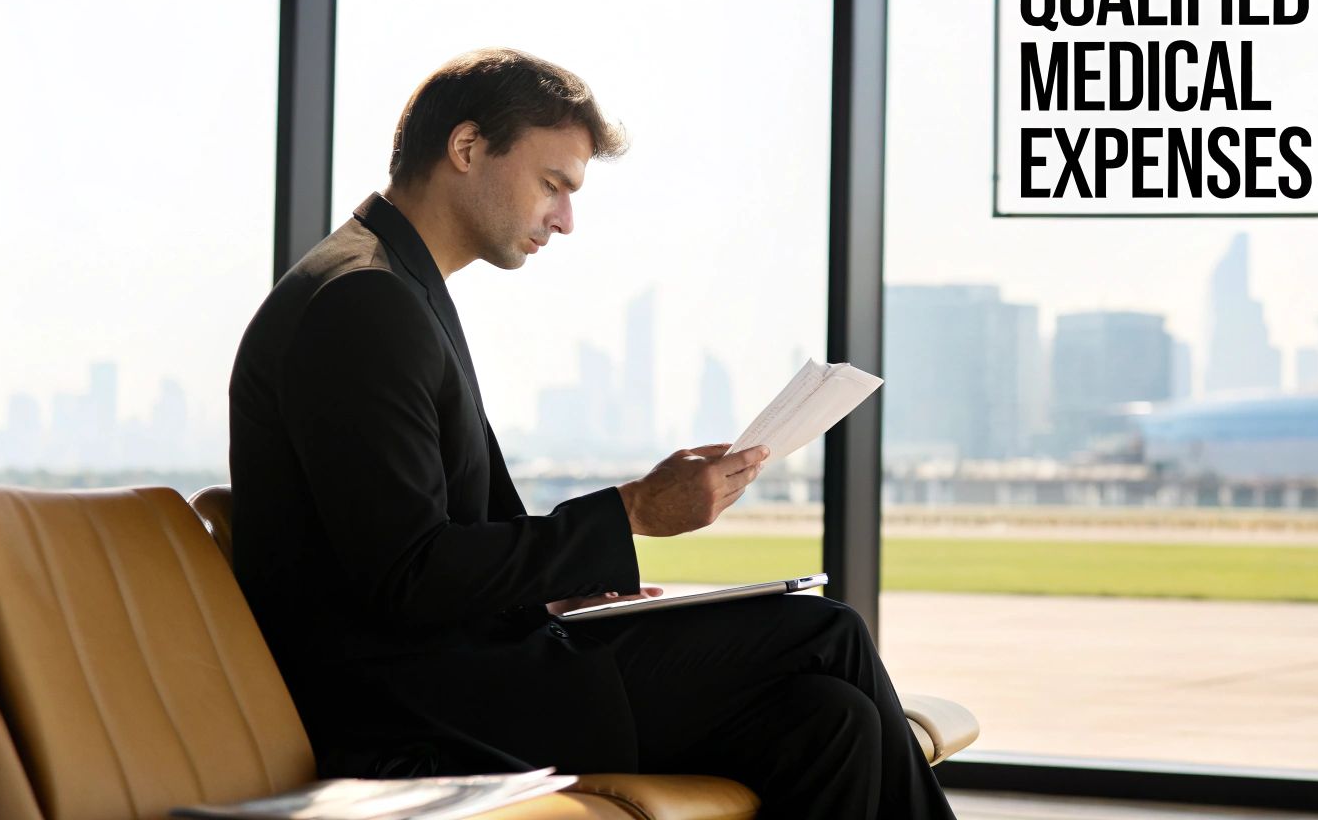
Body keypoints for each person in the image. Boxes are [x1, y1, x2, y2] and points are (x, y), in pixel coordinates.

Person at [227, 47, 957, 819]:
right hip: (419, 708)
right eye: (553, 185)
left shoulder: (392, 287)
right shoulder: (363, 302)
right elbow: (407, 577)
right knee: (829, 631)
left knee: (828, 722)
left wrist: (570, 590)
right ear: (467, 149)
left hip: (463, 674)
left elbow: (437, 545)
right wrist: (633, 513)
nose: (566, 220)